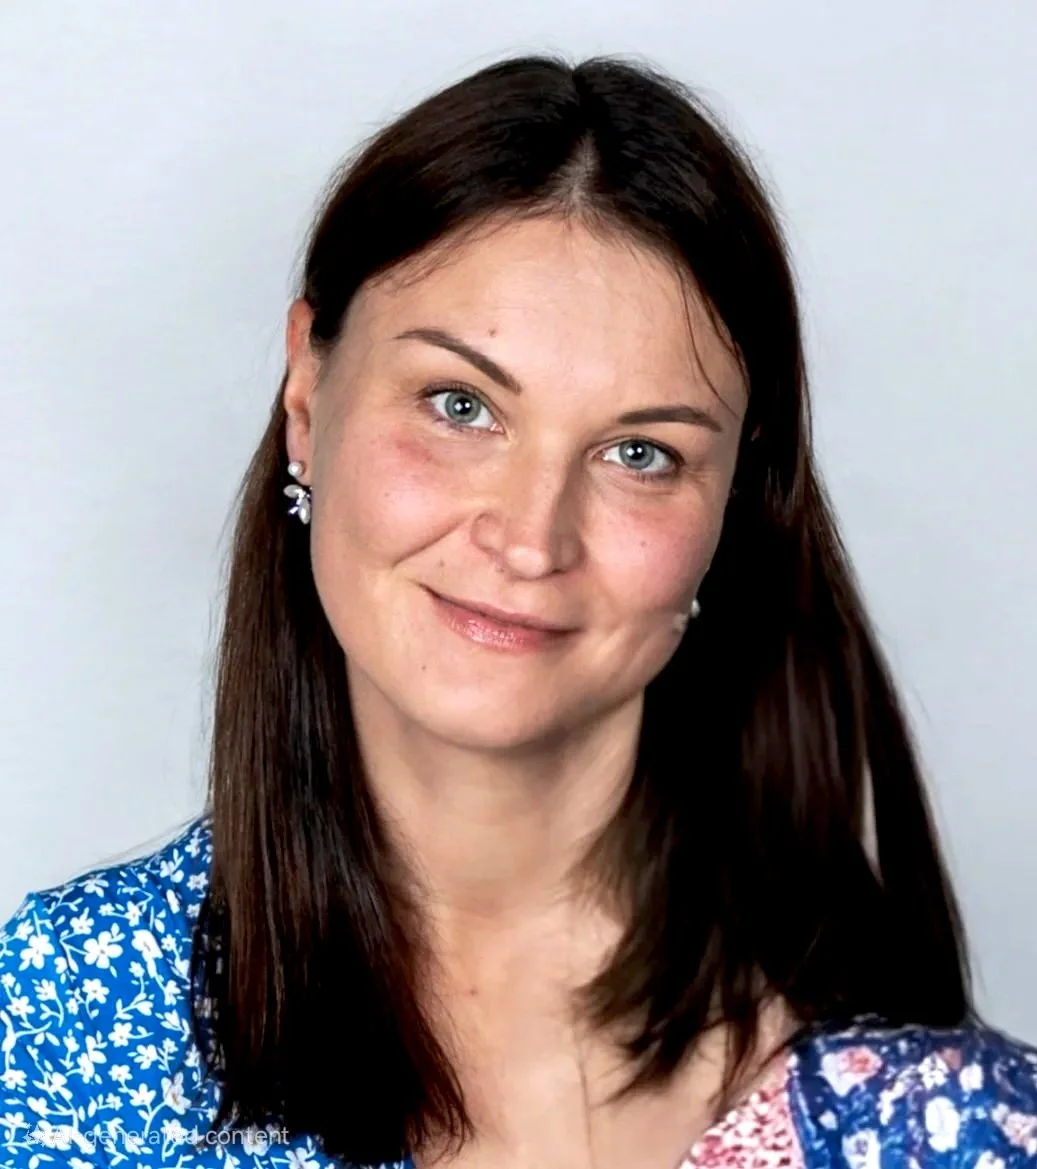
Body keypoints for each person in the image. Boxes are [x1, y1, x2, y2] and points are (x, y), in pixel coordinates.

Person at [1, 52, 1034, 1169]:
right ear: (306, 398)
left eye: (640, 453)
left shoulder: (946, 1121)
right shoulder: (55, 1031)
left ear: (732, 507)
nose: (531, 536)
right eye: (460, 405)